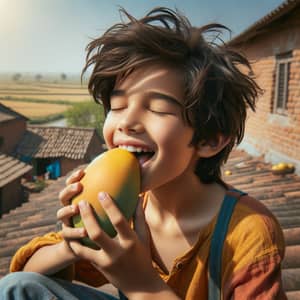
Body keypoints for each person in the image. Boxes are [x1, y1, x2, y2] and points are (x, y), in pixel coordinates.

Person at [0, 7, 286, 300]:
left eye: (157, 109)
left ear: (210, 139)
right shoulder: (123, 204)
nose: (126, 122)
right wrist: (74, 244)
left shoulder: (247, 233)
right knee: (16, 288)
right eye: (118, 106)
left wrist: (141, 284)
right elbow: (25, 276)